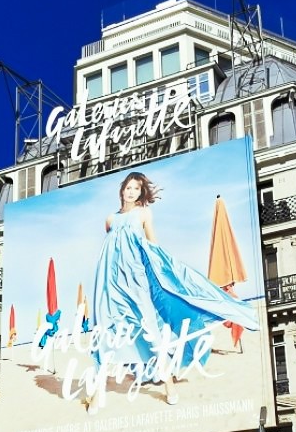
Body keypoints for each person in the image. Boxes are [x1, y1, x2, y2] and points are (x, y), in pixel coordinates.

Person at [90, 172, 260, 409]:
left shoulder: (143, 214)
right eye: (128, 188)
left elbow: (154, 248)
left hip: (138, 283)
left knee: (151, 331)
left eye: (136, 189)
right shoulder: (110, 220)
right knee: (107, 333)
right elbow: (110, 254)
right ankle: (98, 394)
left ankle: (168, 384)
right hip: (112, 284)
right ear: (122, 190)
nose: (131, 192)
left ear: (141, 193)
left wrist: (165, 277)